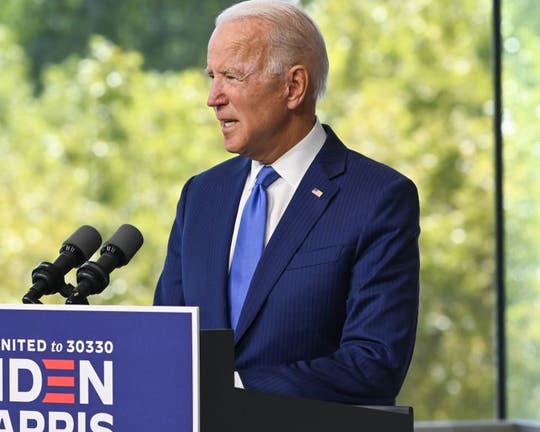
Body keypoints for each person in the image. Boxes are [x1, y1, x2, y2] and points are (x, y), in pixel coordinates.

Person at [154, 0, 420, 406]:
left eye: (231, 76)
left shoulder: (377, 198)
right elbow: (165, 344)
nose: (213, 97)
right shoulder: (201, 196)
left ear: (293, 87)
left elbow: (373, 364)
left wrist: (233, 388)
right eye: (212, 76)